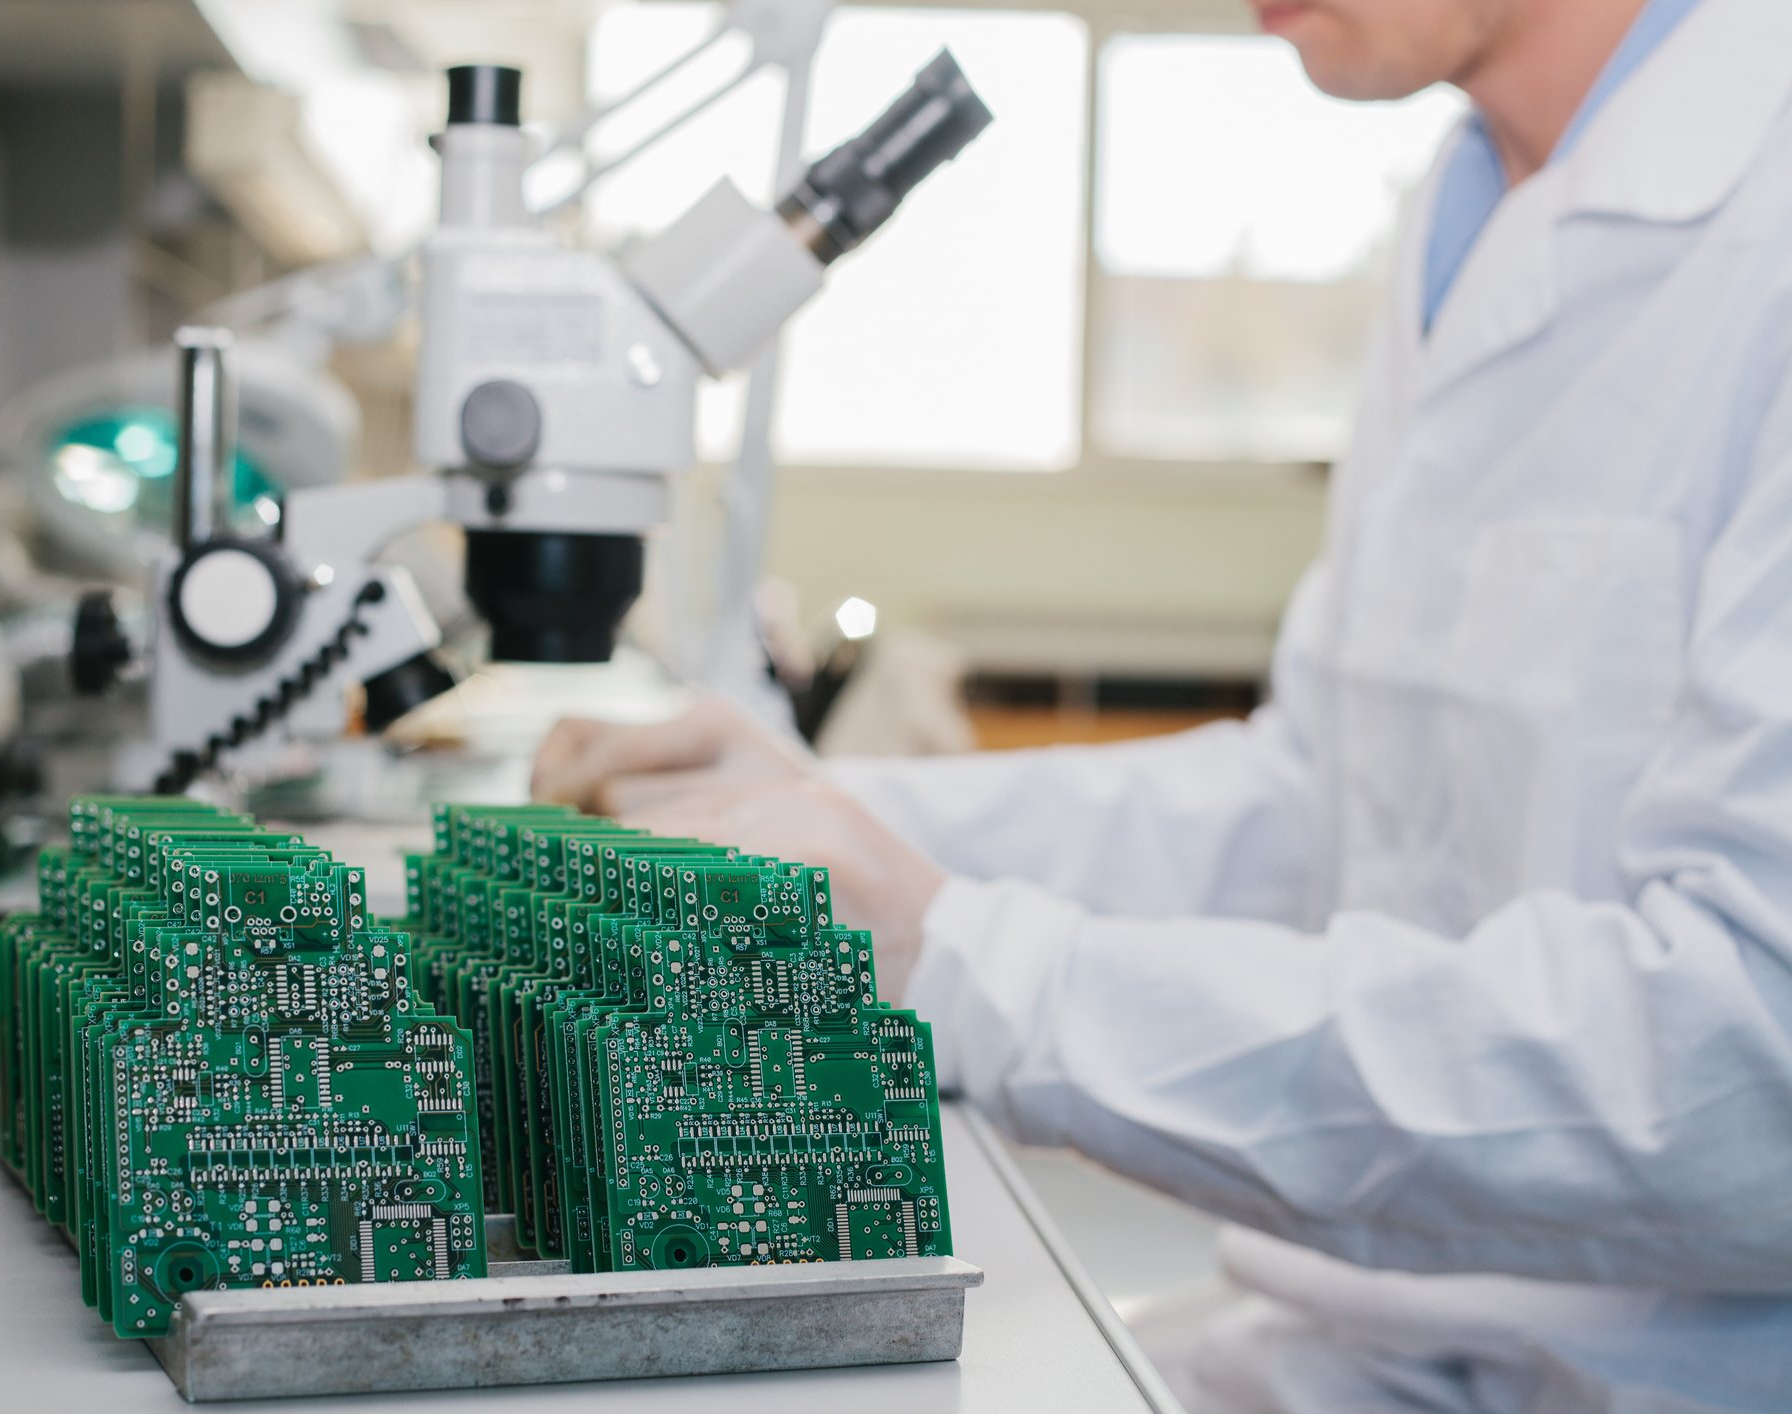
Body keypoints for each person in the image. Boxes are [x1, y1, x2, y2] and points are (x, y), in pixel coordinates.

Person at [528, 0, 1792, 1408]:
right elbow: (1325, 799)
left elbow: (1750, 1071)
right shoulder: (1465, 200)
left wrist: (979, 971)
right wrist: (822, 823)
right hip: (1349, 1336)